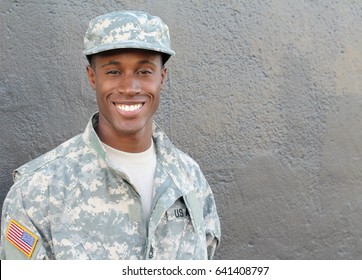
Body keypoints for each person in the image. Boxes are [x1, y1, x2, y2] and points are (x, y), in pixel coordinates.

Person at [0, 10, 220, 260]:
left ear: (162, 77)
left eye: (144, 71)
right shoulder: (38, 191)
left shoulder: (190, 180)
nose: (129, 87)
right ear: (93, 77)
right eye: (114, 72)